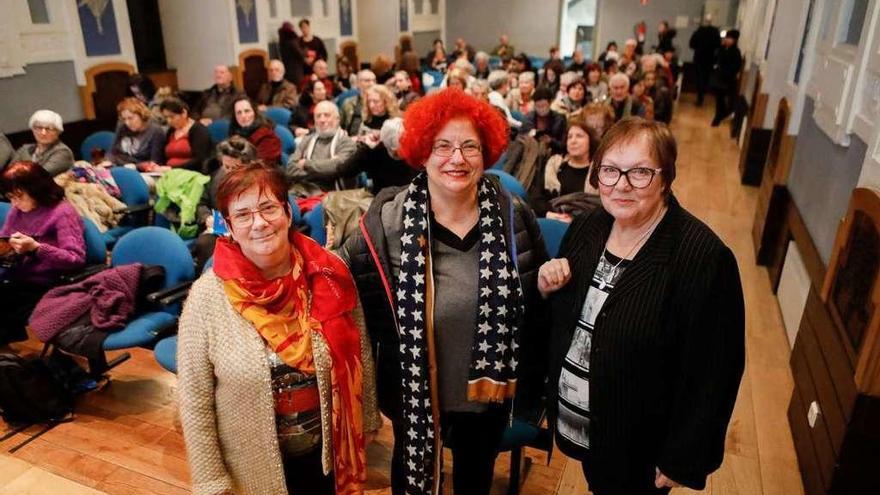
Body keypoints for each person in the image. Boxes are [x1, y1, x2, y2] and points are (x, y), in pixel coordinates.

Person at [339, 88, 548, 495]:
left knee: (475, 481)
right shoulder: (388, 221)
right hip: (413, 393)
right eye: (443, 146)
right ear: (422, 152)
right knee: (410, 477)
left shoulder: (512, 213)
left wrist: (549, 279)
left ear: (485, 151)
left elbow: (536, 291)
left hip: (486, 397)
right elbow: (339, 274)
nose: (457, 158)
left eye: (470, 146)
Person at [538, 118, 744, 494]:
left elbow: (716, 370)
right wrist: (547, 287)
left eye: (641, 173)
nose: (621, 185)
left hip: (640, 444)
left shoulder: (702, 257)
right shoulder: (588, 227)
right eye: (610, 171)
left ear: (666, 178)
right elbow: (571, 320)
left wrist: (685, 456)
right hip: (585, 426)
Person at [178, 163, 381, 495]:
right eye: (243, 215)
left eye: (268, 207)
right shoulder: (206, 299)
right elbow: (194, 400)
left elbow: (358, 350)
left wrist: (367, 419)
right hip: (251, 467)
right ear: (228, 226)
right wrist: (210, 480)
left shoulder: (330, 274)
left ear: (288, 211)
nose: (259, 223)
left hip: (327, 455)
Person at [0, 161, 85, 347]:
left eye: (19, 197)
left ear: (37, 190)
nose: (14, 203)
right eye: (10, 198)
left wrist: (37, 248)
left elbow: (75, 258)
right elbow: (5, 241)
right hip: (19, 278)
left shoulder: (62, 212)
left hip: (49, 284)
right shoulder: (17, 210)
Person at [194, 137, 258, 273]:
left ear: (247, 165)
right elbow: (202, 203)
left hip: (249, 232)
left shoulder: (258, 183)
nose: (228, 172)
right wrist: (207, 217)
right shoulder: (218, 176)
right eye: (226, 166)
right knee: (204, 243)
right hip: (220, 229)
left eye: (234, 168)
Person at [286, 101, 358, 194]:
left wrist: (305, 164)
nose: (322, 120)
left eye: (327, 115)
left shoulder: (347, 143)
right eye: (318, 116)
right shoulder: (306, 140)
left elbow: (337, 168)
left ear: (337, 119)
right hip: (303, 192)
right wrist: (325, 170)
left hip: (335, 197)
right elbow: (290, 169)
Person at [532, 119, 598, 219]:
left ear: (591, 141)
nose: (573, 141)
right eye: (569, 137)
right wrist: (553, 216)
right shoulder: (554, 165)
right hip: (554, 222)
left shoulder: (599, 171)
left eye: (579, 136)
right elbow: (536, 198)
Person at [342, 117, 418, 194]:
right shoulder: (374, 152)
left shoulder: (415, 153)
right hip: (383, 200)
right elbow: (346, 171)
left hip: (410, 198)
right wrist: (365, 148)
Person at [102, 97, 166, 167]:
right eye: (124, 119)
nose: (127, 123)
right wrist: (107, 161)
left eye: (130, 118)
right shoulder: (122, 126)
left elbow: (155, 162)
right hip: (118, 166)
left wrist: (137, 166)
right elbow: (112, 151)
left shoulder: (156, 131)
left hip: (140, 171)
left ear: (142, 115)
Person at [12, 110, 74, 177]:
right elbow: (10, 171)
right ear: (33, 130)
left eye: (49, 128)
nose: (43, 133)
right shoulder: (25, 149)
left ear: (58, 131)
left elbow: (39, 176)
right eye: (39, 128)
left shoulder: (63, 152)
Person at [160, 98, 212, 173]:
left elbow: (200, 161)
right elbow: (164, 156)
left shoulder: (199, 131)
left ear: (184, 113)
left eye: (172, 117)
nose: (169, 121)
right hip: (169, 173)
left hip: (190, 174)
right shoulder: (171, 131)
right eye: (166, 117)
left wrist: (172, 168)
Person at [228, 96, 282, 166]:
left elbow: (261, 168)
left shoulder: (268, 137)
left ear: (255, 112)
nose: (243, 116)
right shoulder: (235, 134)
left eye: (247, 111)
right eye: (239, 113)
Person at [711, 29, 743, 127]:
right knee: (719, 100)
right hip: (719, 78)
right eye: (727, 38)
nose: (727, 40)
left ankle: (720, 116)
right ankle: (717, 117)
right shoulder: (722, 49)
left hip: (728, 79)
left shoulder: (736, 52)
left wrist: (729, 73)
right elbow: (716, 58)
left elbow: (736, 66)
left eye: (730, 38)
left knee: (729, 102)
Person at [689, 14, 721, 107]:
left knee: (699, 78)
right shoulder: (715, 32)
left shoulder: (699, 31)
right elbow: (718, 45)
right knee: (705, 78)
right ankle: (702, 95)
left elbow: (691, 44)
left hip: (699, 58)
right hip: (709, 59)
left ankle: (700, 98)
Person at [525, 87, 567, 154]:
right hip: (531, 152)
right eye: (538, 106)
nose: (541, 109)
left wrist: (551, 141)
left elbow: (564, 145)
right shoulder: (529, 117)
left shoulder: (560, 119)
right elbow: (520, 137)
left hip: (553, 153)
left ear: (550, 103)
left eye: (544, 106)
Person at [341, 70, 377, 136]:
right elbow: (340, 126)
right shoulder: (348, 103)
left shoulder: (381, 103)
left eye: (374, 81)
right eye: (367, 81)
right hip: (351, 141)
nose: (372, 84)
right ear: (358, 83)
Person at [278, 21, 306, 87]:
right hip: (296, 71)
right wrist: (306, 49)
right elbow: (300, 54)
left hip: (287, 71)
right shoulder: (292, 42)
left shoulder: (282, 41)